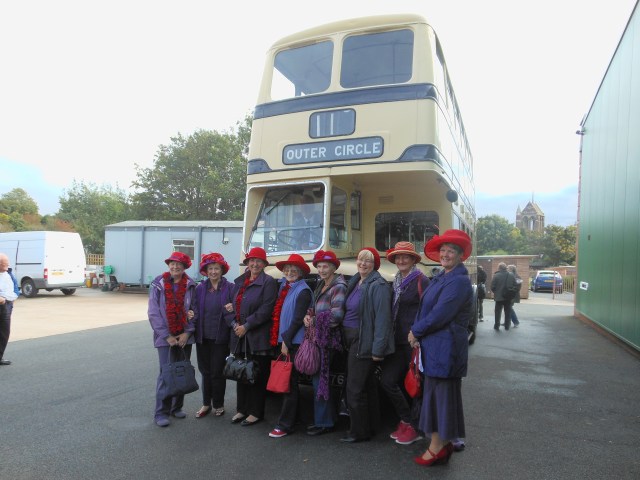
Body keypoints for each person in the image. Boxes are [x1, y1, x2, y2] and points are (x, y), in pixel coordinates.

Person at [408, 229, 472, 467]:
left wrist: (416, 331)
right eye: (443, 250)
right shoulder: (444, 276)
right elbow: (426, 309)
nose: (445, 254)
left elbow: (440, 314)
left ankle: (436, 447)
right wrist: (417, 332)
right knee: (437, 396)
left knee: (441, 398)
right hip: (436, 347)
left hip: (446, 349)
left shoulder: (459, 281)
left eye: (451, 251)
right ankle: (442, 444)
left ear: (460, 255)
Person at [341, 247, 393, 443]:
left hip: (363, 341)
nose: (363, 264)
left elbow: (383, 320)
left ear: (375, 265)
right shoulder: (356, 281)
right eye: (361, 259)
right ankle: (371, 426)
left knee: (354, 389)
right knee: (367, 386)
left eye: (368, 261)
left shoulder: (378, 286)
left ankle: (359, 432)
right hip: (352, 340)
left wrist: (378, 350)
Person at [382, 241, 430, 445]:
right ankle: (407, 419)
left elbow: (428, 310)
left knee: (415, 385)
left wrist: (418, 333)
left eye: (405, 257)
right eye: (398, 257)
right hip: (396, 341)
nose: (401, 260)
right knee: (387, 381)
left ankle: (415, 427)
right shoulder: (396, 280)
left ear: (413, 260)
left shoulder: (421, 280)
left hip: (413, 342)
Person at [148, 251, 198, 427]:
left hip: (184, 337)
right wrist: (166, 335)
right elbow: (153, 313)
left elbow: (195, 311)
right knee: (166, 374)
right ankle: (161, 412)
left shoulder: (191, 285)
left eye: (179, 264)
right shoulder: (158, 284)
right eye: (172, 263)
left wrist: (187, 332)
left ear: (184, 267)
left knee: (181, 370)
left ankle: (177, 407)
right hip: (165, 338)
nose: (175, 267)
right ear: (168, 265)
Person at [230, 247, 278, 426]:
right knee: (241, 373)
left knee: (256, 375)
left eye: (259, 261)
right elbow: (232, 305)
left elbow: (266, 309)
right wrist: (235, 325)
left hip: (258, 338)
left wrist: (247, 326)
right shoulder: (240, 281)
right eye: (252, 261)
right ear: (247, 263)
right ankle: (241, 409)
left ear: (264, 264)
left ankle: (255, 412)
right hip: (240, 336)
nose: (255, 264)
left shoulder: (269, 282)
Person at [268, 254, 313, 438]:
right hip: (285, 340)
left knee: (288, 384)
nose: (289, 272)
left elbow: (297, 320)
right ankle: (297, 419)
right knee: (290, 383)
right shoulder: (285, 287)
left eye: (294, 269)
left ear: (301, 272)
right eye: (287, 269)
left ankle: (285, 425)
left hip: (292, 342)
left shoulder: (303, 291)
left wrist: (286, 342)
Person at [305, 250, 347, 436]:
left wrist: (314, 320)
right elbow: (315, 308)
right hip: (319, 337)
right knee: (320, 380)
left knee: (321, 381)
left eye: (326, 266)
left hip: (328, 340)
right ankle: (325, 419)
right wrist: (308, 315)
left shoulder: (339, 286)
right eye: (319, 266)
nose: (321, 270)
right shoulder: (322, 284)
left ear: (333, 268)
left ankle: (324, 422)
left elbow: (336, 316)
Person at [193, 253, 235, 418]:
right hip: (203, 336)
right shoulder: (200, 288)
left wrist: (234, 308)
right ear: (206, 270)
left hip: (221, 337)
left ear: (222, 270)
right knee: (205, 371)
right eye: (210, 268)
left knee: (217, 372)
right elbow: (194, 308)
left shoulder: (230, 287)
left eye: (216, 268)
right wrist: (190, 314)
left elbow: (238, 307)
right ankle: (206, 404)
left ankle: (218, 404)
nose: (213, 271)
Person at [0, 253, 20, 366]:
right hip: (1, 303)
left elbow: (15, 286)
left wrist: (14, 296)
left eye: (7, 263)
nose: (7, 266)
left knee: (4, 332)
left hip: (7, 305)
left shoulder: (8, 273)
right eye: (4, 264)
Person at [490, 262, 516, 331]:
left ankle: (497, 325)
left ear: (499, 268)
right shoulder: (511, 275)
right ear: (505, 268)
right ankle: (507, 326)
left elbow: (492, 287)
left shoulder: (496, 275)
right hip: (508, 297)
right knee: (507, 312)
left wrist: (496, 292)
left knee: (497, 312)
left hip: (499, 297)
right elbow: (515, 285)